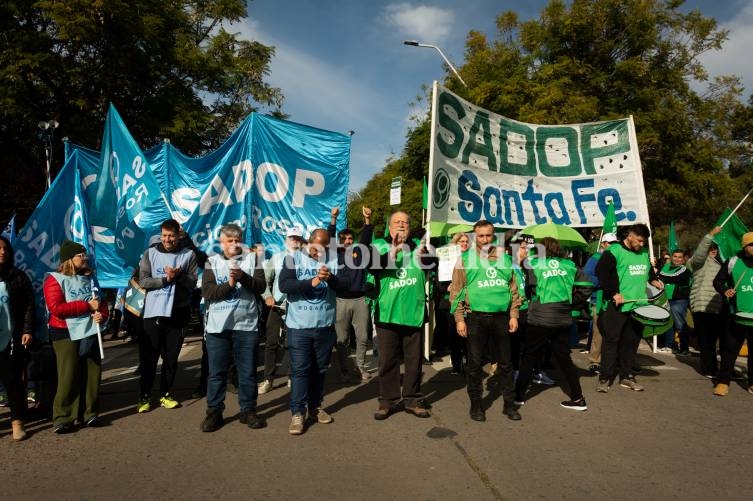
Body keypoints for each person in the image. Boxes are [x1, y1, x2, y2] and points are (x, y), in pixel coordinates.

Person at [450, 220, 520, 422]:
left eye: (488, 235)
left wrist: (514, 315)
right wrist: (459, 319)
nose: (485, 239)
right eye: (480, 236)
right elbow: (456, 292)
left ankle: (509, 405)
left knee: (506, 364)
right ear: (474, 237)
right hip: (476, 318)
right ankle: (476, 405)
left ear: (494, 235)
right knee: (474, 365)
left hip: (501, 318)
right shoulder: (464, 259)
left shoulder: (505, 259)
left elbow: (513, 290)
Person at [200, 224, 267, 432]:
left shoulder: (252, 259)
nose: (234, 244)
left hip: (246, 326)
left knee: (247, 372)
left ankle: (248, 410)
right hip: (218, 328)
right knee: (216, 373)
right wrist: (230, 283)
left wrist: (242, 277)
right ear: (222, 243)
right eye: (230, 241)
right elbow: (208, 292)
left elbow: (261, 286)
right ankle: (214, 412)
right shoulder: (212, 262)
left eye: (237, 240)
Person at [514, 237, 593, 412]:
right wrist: (572, 304)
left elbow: (529, 287)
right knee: (564, 357)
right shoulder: (569, 264)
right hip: (563, 316)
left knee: (529, 356)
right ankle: (578, 398)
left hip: (540, 316)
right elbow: (587, 285)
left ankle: (518, 396)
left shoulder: (533, 263)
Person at [371, 211, 435, 420]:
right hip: (387, 313)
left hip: (413, 312)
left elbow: (432, 265)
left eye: (405, 222)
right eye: (397, 222)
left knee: (414, 360)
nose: (401, 225)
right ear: (389, 227)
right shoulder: (379, 245)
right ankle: (387, 401)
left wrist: (427, 255)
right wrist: (393, 251)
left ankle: (412, 399)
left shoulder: (419, 245)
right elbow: (371, 266)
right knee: (388, 360)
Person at [278, 228, 342, 435]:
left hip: (324, 326)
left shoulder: (334, 259)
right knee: (300, 370)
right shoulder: (293, 259)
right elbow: (284, 285)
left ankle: (315, 407)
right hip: (299, 327)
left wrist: (330, 278)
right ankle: (298, 413)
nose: (318, 253)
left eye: (323, 249)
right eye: (315, 248)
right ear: (309, 242)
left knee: (319, 370)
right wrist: (312, 281)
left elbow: (347, 286)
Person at [43, 240, 108, 433]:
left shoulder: (90, 278)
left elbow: (100, 302)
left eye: (85, 255)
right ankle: (64, 417)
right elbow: (56, 309)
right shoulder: (54, 279)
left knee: (92, 373)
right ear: (68, 259)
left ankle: (90, 413)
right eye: (80, 255)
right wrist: (87, 307)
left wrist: (101, 315)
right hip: (65, 332)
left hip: (89, 331)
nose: (84, 258)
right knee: (68, 375)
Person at [137, 218, 198, 412]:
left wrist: (179, 276)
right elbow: (144, 281)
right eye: (164, 235)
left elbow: (192, 283)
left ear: (178, 236)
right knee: (149, 357)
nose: (167, 239)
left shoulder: (189, 254)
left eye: (171, 235)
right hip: (154, 312)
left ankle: (166, 394)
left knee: (171, 358)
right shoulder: (150, 253)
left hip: (178, 312)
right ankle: (144, 396)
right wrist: (165, 279)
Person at [595, 223, 658, 393]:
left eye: (644, 241)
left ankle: (626, 376)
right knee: (611, 342)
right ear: (629, 236)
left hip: (639, 304)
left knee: (631, 343)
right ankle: (605, 377)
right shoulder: (614, 251)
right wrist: (613, 292)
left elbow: (649, 272)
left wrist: (654, 280)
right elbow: (601, 272)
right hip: (617, 305)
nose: (641, 244)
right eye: (639, 240)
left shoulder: (644, 253)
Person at [328, 206, 374, 383]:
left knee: (362, 338)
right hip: (340, 301)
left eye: (350, 238)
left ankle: (361, 367)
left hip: (360, 300)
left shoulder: (359, 253)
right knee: (342, 339)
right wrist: (333, 218)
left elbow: (366, 238)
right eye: (344, 239)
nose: (347, 241)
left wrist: (367, 220)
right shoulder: (334, 254)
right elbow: (330, 237)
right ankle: (345, 369)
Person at [258, 227, 303, 393]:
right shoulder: (276, 258)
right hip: (277, 307)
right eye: (292, 238)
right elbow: (264, 281)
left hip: (297, 309)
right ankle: (268, 380)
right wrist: (267, 296)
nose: (295, 241)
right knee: (271, 344)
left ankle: (292, 376)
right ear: (286, 240)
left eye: (298, 238)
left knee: (294, 345)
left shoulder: (306, 259)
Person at [0, 235, 34, 441]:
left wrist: (27, 330)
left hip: (10, 337)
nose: (2, 252)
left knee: (12, 381)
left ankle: (17, 422)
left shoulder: (18, 277)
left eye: (5, 249)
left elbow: (29, 306)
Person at [711, 231, 753, 396]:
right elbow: (717, 281)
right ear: (745, 246)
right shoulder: (733, 262)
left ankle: (752, 383)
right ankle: (723, 382)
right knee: (730, 350)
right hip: (736, 315)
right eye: (752, 245)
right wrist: (725, 290)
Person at [687, 227, 723, 377]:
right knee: (707, 339)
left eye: (716, 248)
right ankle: (709, 369)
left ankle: (723, 368)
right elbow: (701, 253)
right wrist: (710, 236)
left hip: (720, 306)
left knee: (718, 340)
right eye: (711, 248)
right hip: (703, 304)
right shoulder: (697, 262)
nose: (713, 250)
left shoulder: (724, 263)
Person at [582, 233, 619, 373]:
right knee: (599, 332)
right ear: (603, 244)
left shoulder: (618, 257)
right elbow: (587, 277)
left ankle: (613, 361)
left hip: (615, 299)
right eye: (610, 243)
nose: (613, 245)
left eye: (615, 243)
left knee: (614, 332)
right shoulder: (595, 258)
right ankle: (594, 361)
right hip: (599, 299)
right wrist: (604, 283)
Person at [434, 232, 469, 375]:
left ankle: (469, 361)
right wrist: (446, 287)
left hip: (469, 302)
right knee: (454, 334)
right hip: (450, 302)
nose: (465, 244)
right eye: (462, 241)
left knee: (469, 334)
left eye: (466, 241)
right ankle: (457, 364)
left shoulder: (473, 259)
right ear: (455, 244)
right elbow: (438, 284)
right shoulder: (445, 261)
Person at [657, 249, 693, 354]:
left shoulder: (685, 270)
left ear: (683, 259)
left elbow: (674, 279)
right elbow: (658, 277)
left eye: (679, 257)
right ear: (671, 257)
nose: (677, 259)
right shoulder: (665, 267)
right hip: (666, 299)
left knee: (680, 324)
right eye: (675, 256)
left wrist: (660, 277)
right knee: (668, 323)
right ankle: (670, 345)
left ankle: (685, 348)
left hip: (679, 300)